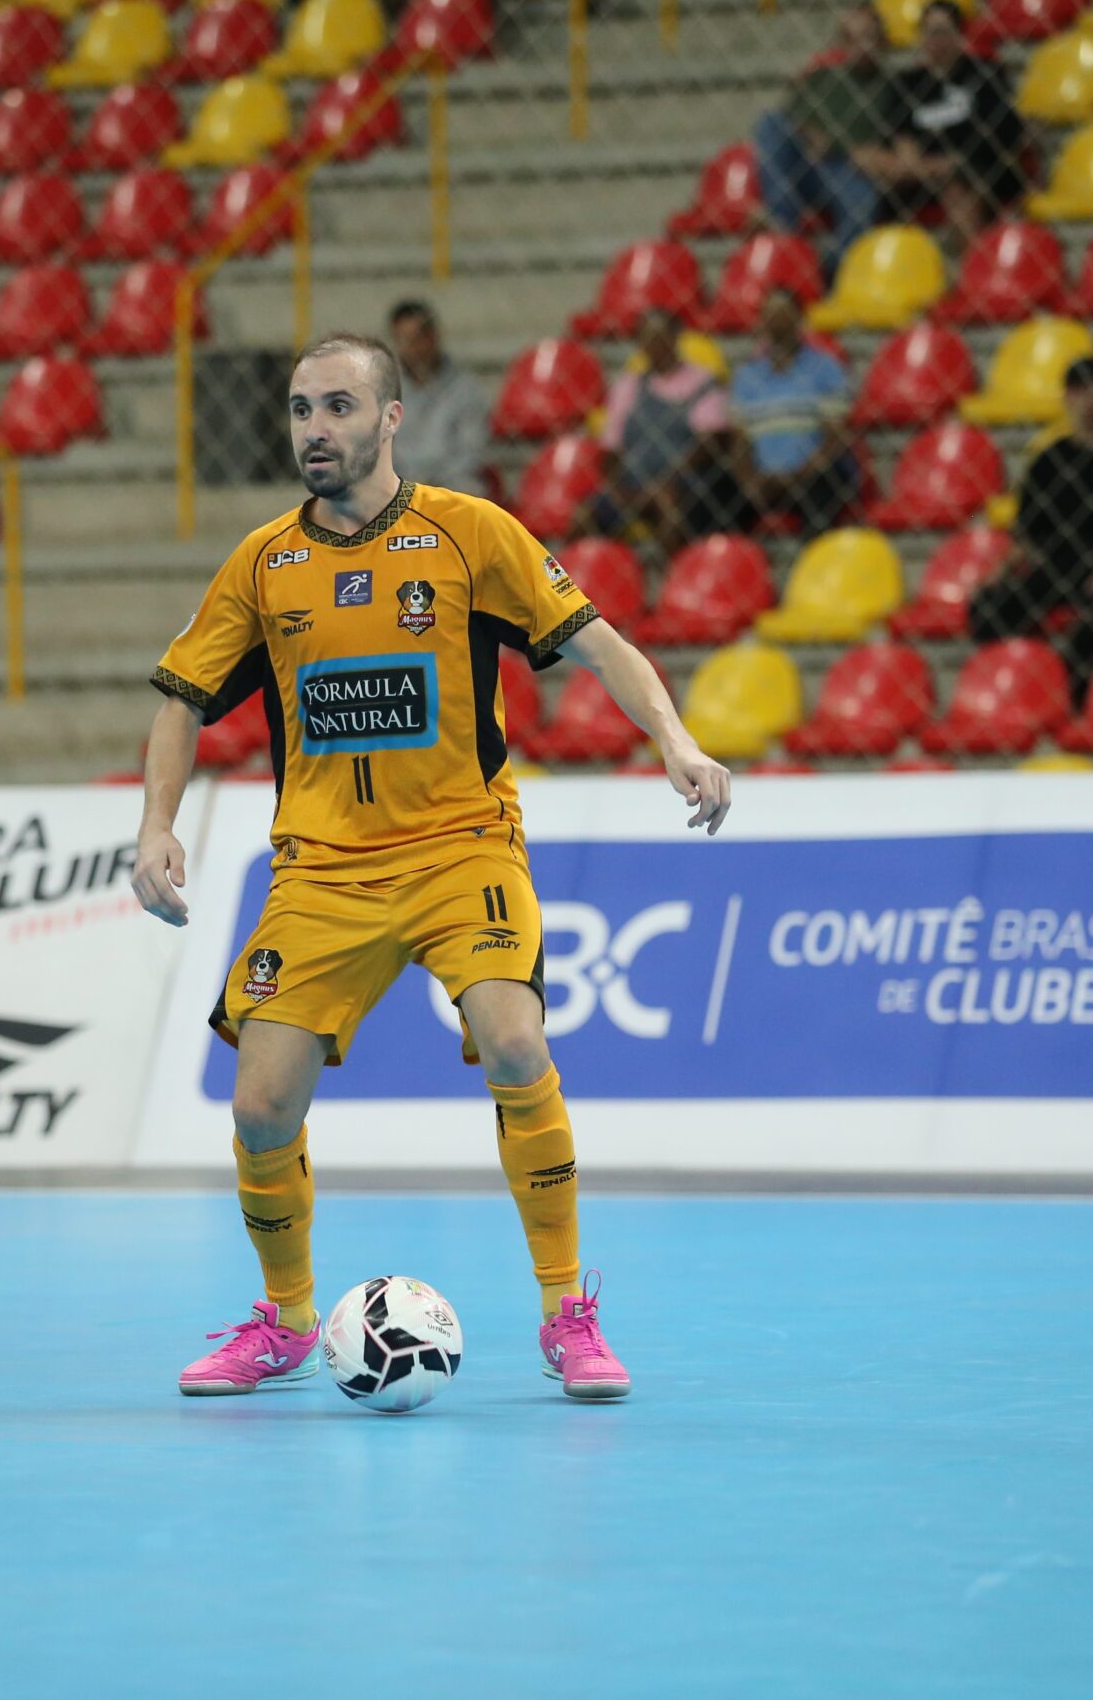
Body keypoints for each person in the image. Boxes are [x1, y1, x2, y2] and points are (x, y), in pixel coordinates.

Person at [134, 331, 733, 1402]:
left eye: (336, 408)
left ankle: (566, 1314)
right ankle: (282, 1320)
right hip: (321, 872)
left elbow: (598, 642)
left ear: (390, 417)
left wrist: (676, 742)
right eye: (299, 411)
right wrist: (156, 826)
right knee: (262, 1107)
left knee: (511, 1038)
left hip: (463, 850)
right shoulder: (266, 562)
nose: (314, 431)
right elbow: (181, 698)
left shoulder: (468, 536)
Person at [967, 356, 1093, 701]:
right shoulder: (1050, 460)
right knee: (986, 607)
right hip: (1062, 565)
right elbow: (1026, 535)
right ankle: (1009, 690)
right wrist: (998, 574)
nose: (1087, 398)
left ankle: (1074, 708)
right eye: (1078, 390)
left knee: (1092, 627)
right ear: (1066, 397)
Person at [752, 3, 947, 276]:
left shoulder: (894, 86)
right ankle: (782, 224)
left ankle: (824, 272)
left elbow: (887, 147)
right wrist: (811, 134)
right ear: (843, 42)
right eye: (854, 38)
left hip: (847, 166)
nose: (861, 45)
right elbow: (793, 123)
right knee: (770, 123)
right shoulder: (821, 77)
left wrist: (831, 141)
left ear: (881, 42)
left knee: (862, 204)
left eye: (868, 37)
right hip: (807, 162)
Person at [575, 308, 743, 551]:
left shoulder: (702, 382)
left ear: (676, 337)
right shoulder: (627, 386)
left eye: (660, 336)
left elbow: (709, 443)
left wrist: (667, 481)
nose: (655, 344)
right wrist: (616, 487)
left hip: (682, 484)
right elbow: (611, 449)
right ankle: (558, 584)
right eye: (647, 338)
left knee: (669, 510)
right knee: (583, 516)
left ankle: (672, 582)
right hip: (632, 485)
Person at [725, 289, 862, 534]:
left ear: (800, 318)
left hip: (811, 474)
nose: (777, 320)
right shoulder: (747, 376)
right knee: (719, 491)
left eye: (784, 313)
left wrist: (800, 474)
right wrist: (751, 479)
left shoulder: (825, 367)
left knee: (825, 485)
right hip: (762, 479)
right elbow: (740, 440)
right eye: (771, 314)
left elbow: (835, 435)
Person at [898, 0, 1030, 249]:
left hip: (979, 168)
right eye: (930, 33)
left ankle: (972, 269)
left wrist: (955, 161)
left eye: (943, 32)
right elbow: (901, 136)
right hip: (923, 172)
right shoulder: (909, 83)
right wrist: (927, 165)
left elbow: (1005, 132)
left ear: (959, 35)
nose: (937, 41)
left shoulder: (985, 74)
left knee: (958, 186)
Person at [384, 300, 488, 494]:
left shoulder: (465, 388)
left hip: (452, 482)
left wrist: (433, 483)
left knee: (471, 491)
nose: (411, 348)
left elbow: (472, 449)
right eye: (403, 340)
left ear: (433, 337)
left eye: (417, 339)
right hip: (398, 482)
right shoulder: (386, 389)